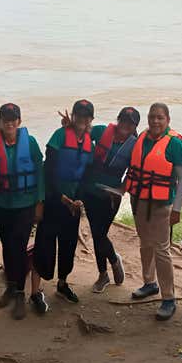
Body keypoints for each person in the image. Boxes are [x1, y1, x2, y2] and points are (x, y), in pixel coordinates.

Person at [124, 102, 182, 321]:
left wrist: (177, 209)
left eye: (160, 117)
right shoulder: (142, 137)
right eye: (152, 117)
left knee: (161, 249)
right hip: (140, 200)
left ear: (167, 120)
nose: (155, 121)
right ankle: (149, 282)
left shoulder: (174, 143)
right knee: (145, 243)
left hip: (162, 204)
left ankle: (169, 298)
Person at [0, 103, 46, 319]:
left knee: (18, 246)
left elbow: (40, 173)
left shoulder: (31, 142)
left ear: (19, 121)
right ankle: (11, 285)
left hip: (25, 205)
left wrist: (40, 201)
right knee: (8, 247)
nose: (9, 123)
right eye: (5, 119)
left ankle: (19, 293)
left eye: (13, 119)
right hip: (1, 205)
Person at [34, 99, 95, 305]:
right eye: (79, 114)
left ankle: (62, 283)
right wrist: (60, 196)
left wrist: (79, 199)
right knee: (45, 243)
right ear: (74, 116)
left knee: (68, 244)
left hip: (73, 204)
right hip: (54, 199)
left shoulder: (89, 142)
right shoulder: (59, 136)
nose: (82, 119)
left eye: (86, 116)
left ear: (91, 119)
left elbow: (87, 175)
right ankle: (35, 291)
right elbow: (48, 170)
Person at [77, 107, 140, 293]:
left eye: (130, 123)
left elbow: (134, 171)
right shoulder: (101, 131)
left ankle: (112, 260)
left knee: (100, 234)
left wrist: (122, 189)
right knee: (97, 233)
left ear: (135, 126)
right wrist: (70, 125)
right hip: (90, 191)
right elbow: (80, 134)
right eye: (123, 120)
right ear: (118, 119)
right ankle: (104, 273)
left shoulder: (135, 145)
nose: (125, 125)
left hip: (110, 196)